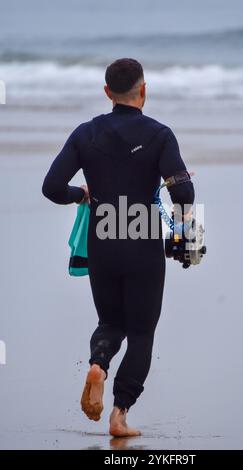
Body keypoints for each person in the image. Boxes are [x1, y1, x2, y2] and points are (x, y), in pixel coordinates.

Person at [42, 58, 194, 437]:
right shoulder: (160, 135)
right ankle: (119, 414)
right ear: (144, 91)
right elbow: (183, 193)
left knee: (111, 323)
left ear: (107, 92)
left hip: (104, 241)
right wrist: (186, 233)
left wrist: (82, 194)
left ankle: (98, 365)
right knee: (142, 332)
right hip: (142, 241)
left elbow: (52, 187)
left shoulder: (85, 133)